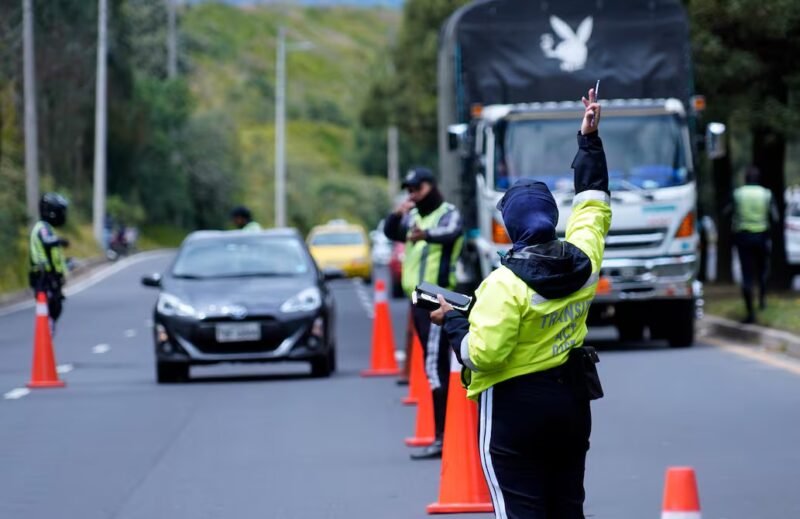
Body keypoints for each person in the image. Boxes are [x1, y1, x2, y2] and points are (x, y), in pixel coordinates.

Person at [430, 86, 611, 518]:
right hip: (571, 403)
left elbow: (485, 354)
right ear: (551, 218)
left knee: (520, 508)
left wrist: (455, 322)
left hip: (515, 410)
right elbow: (593, 209)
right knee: (568, 505)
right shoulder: (585, 261)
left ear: (511, 228)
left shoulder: (502, 285)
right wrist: (589, 142)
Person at [384, 167, 463, 459]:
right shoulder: (414, 215)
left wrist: (425, 235)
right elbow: (392, 232)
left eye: (417, 188)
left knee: (435, 367)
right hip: (418, 299)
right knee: (437, 367)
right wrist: (397, 213)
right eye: (409, 190)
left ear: (431, 186)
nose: (413, 194)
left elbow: (452, 232)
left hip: (437, 297)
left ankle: (444, 437)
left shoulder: (447, 212)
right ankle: (447, 433)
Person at [730, 166, 778, 323]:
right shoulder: (766, 194)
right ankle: (762, 301)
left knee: (747, 275)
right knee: (763, 270)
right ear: (758, 179)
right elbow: (775, 216)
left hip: (743, 237)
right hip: (762, 237)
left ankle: (750, 312)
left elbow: (727, 211)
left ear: (745, 179)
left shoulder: (738, 194)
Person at [29, 193, 70, 329]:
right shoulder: (42, 228)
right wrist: (59, 241)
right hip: (43, 278)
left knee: (55, 309)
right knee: (48, 311)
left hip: (50, 278)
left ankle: (47, 341)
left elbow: (54, 257)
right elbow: (47, 242)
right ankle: (44, 343)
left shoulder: (48, 228)